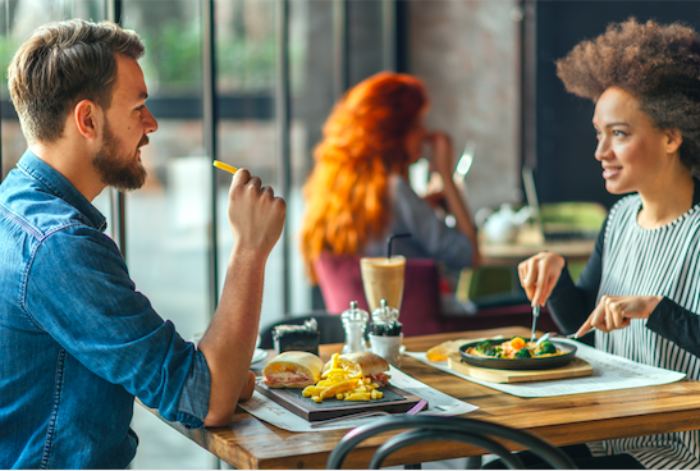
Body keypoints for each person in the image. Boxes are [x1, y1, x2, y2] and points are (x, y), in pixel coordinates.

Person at [0, 19, 285, 468]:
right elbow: (206, 398)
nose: (151, 124)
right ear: (88, 119)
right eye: (138, 109)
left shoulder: (15, 209)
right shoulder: (60, 247)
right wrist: (250, 247)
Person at [515, 18, 700, 469]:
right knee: (505, 463)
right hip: (611, 428)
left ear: (672, 136)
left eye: (618, 133)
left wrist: (658, 310)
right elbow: (586, 328)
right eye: (599, 133)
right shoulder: (618, 219)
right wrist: (557, 280)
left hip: (677, 445)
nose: (600, 151)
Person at [300, 72, 479, 286]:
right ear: (388, 134)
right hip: (411, 318)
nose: (424, 133)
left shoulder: (331, 192)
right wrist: (446, 175)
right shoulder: (395, 190)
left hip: (355, 317)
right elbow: (469, 256)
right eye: (415, 125)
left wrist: (421, 204)